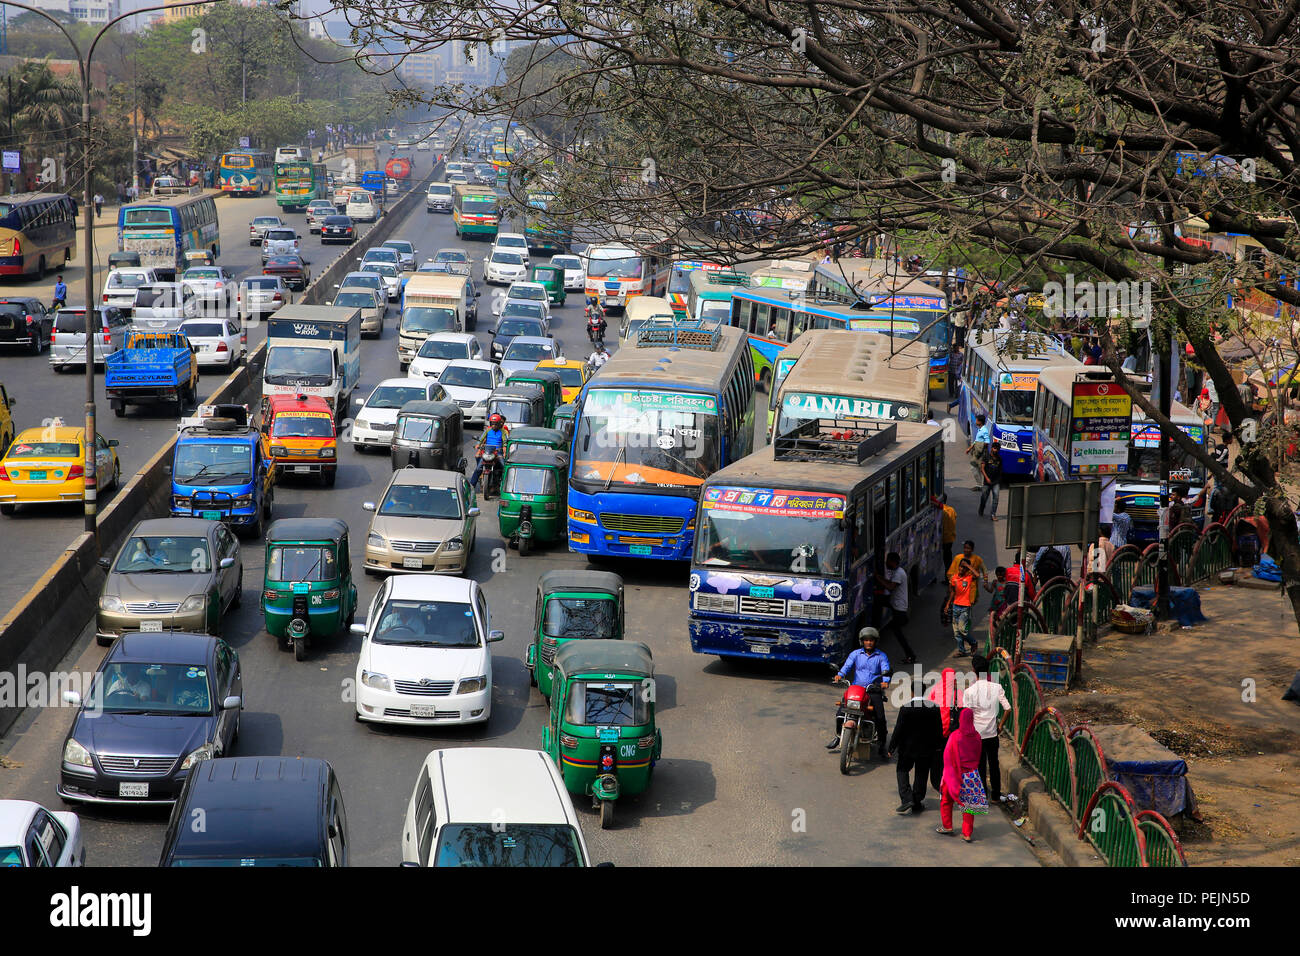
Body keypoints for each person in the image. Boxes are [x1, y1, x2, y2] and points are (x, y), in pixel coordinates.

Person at [827, 628, 890, 759]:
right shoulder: (855, 654)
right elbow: (847, 666)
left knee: (880, 716)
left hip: (873, 690)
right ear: (862, 641)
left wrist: (885, 682)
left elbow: (886, 669)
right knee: (841, 711)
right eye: (866, 640)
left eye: (871, 640)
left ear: (875, 642)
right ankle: (839, 736)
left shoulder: (881, 656)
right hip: (856, 689)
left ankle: (882, 744)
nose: (869, 643)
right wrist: (839, 675)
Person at [963, 655, 1013, 805]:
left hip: (976, 735)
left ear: (974, 670)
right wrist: (1000, 725)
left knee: (979, 765)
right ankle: (996, 796)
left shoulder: (969, 692)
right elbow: (1008, 709)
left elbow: (967, 715)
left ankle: (982, 793)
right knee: (994, 764)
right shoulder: (996, 687)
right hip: (992, 733)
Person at [889, 685, 942, 814]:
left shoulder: (906, 708)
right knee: (921, 773)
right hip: (926, 749)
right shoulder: (934, 708)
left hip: (907, 748)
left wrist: (892, 746)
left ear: (911, 692)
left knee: (902, 770)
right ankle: (917, 801)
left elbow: (898, 729)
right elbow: (938, 729)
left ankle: (907, 798)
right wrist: (938, 747)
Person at [937, 708, 987, 842]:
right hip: (971, 775)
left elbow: (947, 756)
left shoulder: (955, 736)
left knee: (946, 800)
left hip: (954, 774)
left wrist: (946, 773)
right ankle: (967, 833)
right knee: (969, 806)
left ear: (960, 719)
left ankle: (947, 826)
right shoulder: (977, 736)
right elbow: (978, 755)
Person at [875, 552, 916, 665]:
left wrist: (879, 578)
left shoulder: (898, 573)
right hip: (895, 604)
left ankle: (910, 655)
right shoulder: (897, 572)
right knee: (878, 601)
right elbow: (889, 583)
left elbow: (890, 587)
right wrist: (881, 578)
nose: (886, 563)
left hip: (900, 609)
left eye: (887, 561)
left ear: (892, 562)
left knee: (898, 634)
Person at [946, 558, 981, 657]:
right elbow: (952, 592)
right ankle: (961, 650)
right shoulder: (954, 578)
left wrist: (968, 566)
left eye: (964, 567)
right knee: (956, 632)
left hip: (965, 607)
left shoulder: (969, 577)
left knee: (962, 630)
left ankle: (973, 642)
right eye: (961, 566)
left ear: (967, 569)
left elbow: (977, 575)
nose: (962, 568)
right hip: (955, 606)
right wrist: (948, 604)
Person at [469, 413, 509, 486]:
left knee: (504, 467)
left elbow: (505, 441)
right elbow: (481, 439)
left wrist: (504, 448)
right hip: (487, 451)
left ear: (499, 424)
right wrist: (478, 445)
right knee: (478, 469)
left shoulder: (503, 432)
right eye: (492, 423)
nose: (494, 425)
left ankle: (504, 485)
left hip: (498, 452)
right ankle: (471, 486)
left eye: (495, 424)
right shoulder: (488, 430)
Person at [978, 440, 1003, 520]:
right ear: (992, 448)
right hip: (987, 481)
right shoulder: (986, 457)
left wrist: (999, 480)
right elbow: (982, 469)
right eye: (994, 448)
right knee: (984, 497)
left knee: (996, 497)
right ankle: (981, 509)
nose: (996, 450)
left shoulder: (999, 459)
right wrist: (987, 478)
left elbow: (1000, 471)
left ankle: (993, 514)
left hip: (996, 482)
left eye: (997, 449)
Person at [966, 414, 989, 489]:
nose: (975, 421)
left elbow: (987, 442)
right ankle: (980, 484)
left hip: (980, 454)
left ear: (980, 422)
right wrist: (970, 448)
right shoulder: (980, 429)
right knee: (977, 468)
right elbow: (977, 441)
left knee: (975, 467)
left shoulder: (984, 430)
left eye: (977, 420)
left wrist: (979, 448)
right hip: (977, 452)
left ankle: (980, 485)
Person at [935, 493, 956, 570]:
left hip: (943, 538)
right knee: (948, 558)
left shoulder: (940, 511)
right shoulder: (951, 509)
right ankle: (948, 577)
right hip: (951, 538)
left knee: (942, 557)